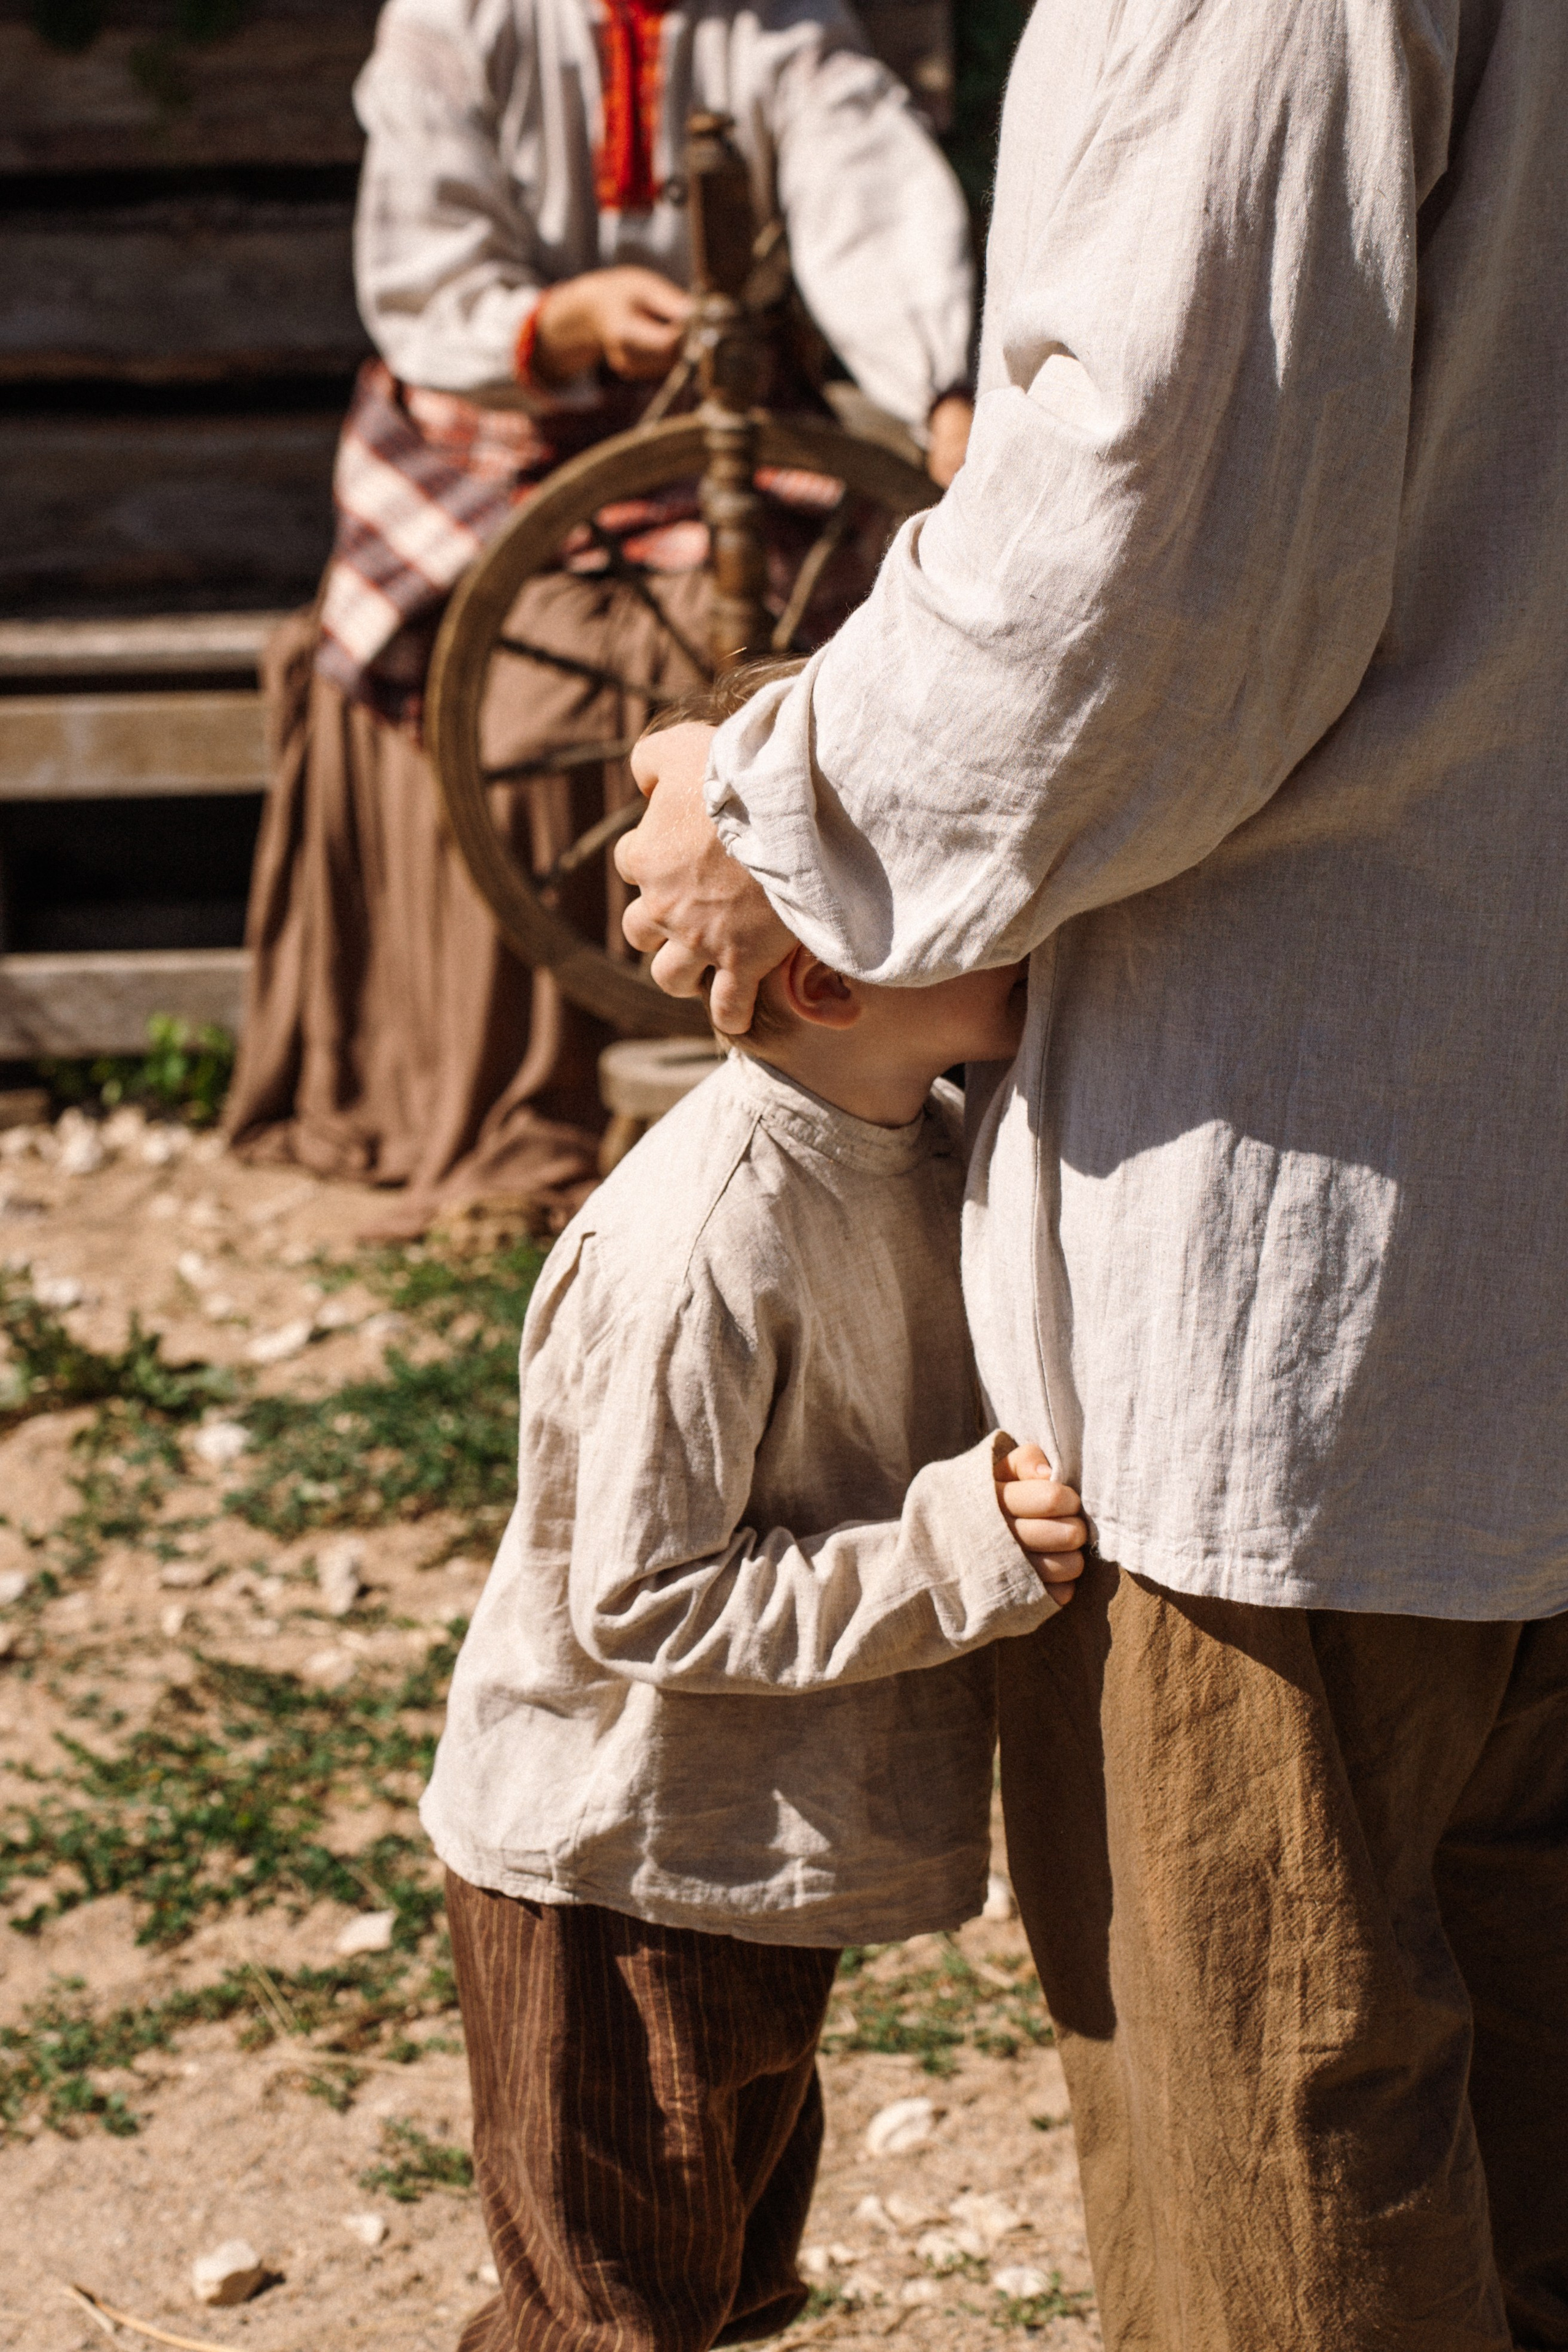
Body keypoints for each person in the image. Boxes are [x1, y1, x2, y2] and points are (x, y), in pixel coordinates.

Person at [616, 2, 1568, 2346]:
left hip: (1305, 1231)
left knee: (1286, 2138)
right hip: (1487, 1165)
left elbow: (1150, 549)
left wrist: (785, 827)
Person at [423, 671, 1085, 2352]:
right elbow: (640, 1599)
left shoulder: (923, 1139)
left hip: (756, 1855)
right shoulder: (705, 1241)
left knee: (702, 2291)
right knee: (611, 2317)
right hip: (617, 1862)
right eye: (962, 892)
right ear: (826, 978)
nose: (1017, 905)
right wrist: (958, 1551)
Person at [222, 0, 976, 1238]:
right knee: (523, 671)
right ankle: (535, 1088)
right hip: (490, 423)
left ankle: (829, 1046)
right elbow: (423, 265)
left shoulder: (774, 22)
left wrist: (938, 383)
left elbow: (865, 196)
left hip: (719, 420)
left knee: (823, 634)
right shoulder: (459, 21)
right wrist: (561, 321)